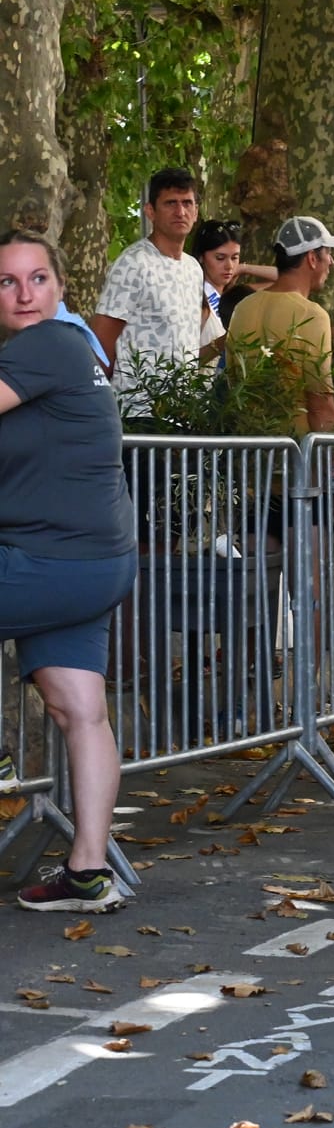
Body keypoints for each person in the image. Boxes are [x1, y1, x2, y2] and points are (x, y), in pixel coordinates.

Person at [0, 231, 139, 912]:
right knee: (78, 709)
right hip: (94, 560)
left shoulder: (47, 343)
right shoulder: (67, 352)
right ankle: (88, 871)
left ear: (60, 288)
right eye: (8, 282)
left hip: (59, 557)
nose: (25, 294)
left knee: (80, 712)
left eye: (37, 279)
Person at [89, 167, 222, 419]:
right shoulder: (133, 263)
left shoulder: (194, 268)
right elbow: (101, 342)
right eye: (170, 203)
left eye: (187, 203)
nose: (180, 211)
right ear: (150, 211)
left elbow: (186, 347)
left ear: (196, 211)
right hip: (137, 413)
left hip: (183, 412)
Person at [228, 215, 334, 437]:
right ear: (312, 258)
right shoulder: (311, 315)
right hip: (293, 453)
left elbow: (233, 383)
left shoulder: (242, 309)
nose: (331, 262)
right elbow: (320, 402)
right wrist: (332, 461)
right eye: (328, 253)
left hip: (247, 452)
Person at [189, 219, 275, 338]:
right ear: (201, 257)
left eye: (234, 258)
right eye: (220, 258)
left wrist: (245, 268)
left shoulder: (233, 294)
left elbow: (288, 279)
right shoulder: (195, 299)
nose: (229, 266)